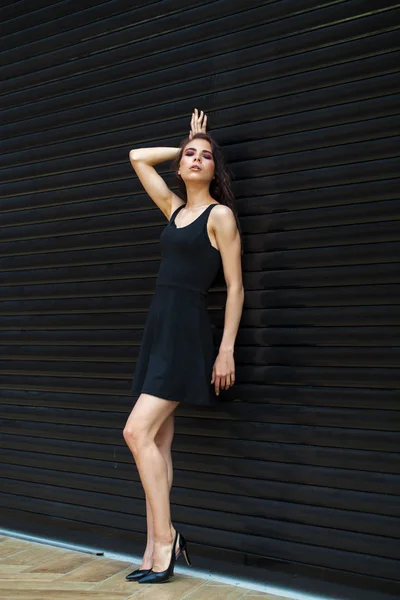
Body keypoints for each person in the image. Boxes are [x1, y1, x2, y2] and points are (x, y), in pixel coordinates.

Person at [123, 109, 244, 584]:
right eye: (190, 155)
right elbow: (137, 158)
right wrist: (188, 139)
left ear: (216, 169)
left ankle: (166, 538)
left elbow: (234, 287)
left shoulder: (221, 216)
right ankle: (154, 545)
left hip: (188, 335)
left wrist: (226, 349)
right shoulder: (173, 209)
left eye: (205, 155)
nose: (196, 159)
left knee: (136, 434)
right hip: (159, 331)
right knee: (158, 442)